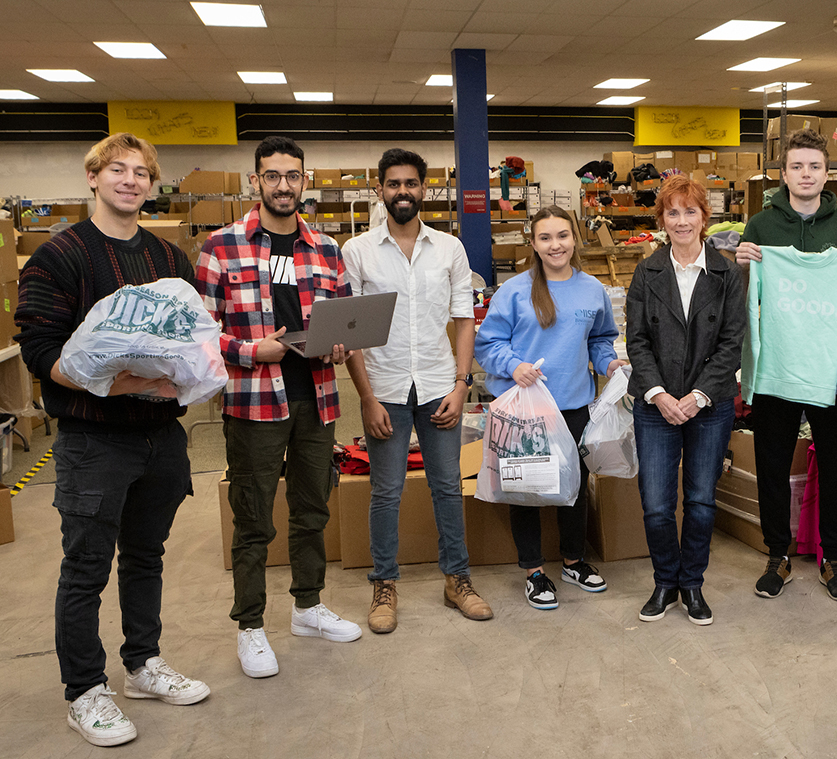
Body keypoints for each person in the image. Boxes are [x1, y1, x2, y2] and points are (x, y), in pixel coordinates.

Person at [15, 133, 209, 747]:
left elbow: (188, 339)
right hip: (93, 441)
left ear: (153, 185)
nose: (131, 180)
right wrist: (121, 383)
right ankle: (84, 691)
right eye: (117, 170)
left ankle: (142, 665)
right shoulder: (60, 256)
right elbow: (41, 351)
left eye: (142, 173)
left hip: (160, 435)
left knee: (146, 558)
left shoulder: (169, 260)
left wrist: (184, 376)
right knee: (86, 569)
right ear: (94, 177)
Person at [196, 136, 360, 679]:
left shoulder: (328, 250)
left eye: (293, 175)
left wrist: (339, 343)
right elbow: (197, 335)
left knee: (313, 507)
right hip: (253, 401)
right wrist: (250, 351)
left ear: (304, 182)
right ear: (256, 181)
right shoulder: (221, 247)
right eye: (273, 175)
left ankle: (308, 608)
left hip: (316, 395)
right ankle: (250, 626)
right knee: (253, 519)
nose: (283, 185)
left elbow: (340, 322)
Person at [343, 147, 493, 633]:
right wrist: (366, 397)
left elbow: (464, 320)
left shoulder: (449, 249)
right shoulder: (358, 251)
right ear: (380, 190)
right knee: (385, 491)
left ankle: (458, 580)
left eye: (411, 183)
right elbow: (351, 331)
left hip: (437, 385)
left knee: (447, 487)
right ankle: (384, 585)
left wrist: (461, 385)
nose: (402, 191)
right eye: (393, 184)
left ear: (423, 189)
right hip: (384, 388)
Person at [735, 128, 837, 602]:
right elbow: (746, 295)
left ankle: (833, 558)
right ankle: (778, 553)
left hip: (832, 366)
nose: (806, 174)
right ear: (784, 174)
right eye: (797, 166)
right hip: (777, 362)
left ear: (827, 173)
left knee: (836, 463)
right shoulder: (761, 226)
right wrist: (743, 262)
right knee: (772, 462)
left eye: (815, 166)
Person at [475, 205, 624, 610]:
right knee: (526, 489)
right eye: (545, 238)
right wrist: (513, 366)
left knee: (572, 488)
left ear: (575, 238)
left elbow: (600, 338)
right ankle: (534, 571)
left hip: (574, 404)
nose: (555, 244)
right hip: (525, 410)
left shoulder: (592, 289)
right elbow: (487, 345)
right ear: (534, 244)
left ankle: (574, 561)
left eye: (562, 235)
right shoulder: (514, 291)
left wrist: (609, 361)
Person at [627, 175, 746, 625]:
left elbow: (732, 343)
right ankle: (665, 582)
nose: (681, 221)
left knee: (699, 500)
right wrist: (659, 395)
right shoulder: (647, 272)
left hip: (709, 405)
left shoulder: (726, 273)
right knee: (656, 503)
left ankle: (692, 584)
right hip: (655, 405)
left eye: (690, 211)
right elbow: (636, 341)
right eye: (672, 212)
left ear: (704, 218)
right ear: (661, 220)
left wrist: (696, 396)